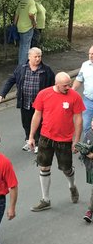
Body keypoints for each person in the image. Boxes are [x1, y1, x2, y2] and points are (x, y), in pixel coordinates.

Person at [29, 72, 85, 211]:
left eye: (69, 84)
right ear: (56, 84)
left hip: (65, 139)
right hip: (46, 137)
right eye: (65, 85)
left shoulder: (75, 96)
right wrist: (31, 136)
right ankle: (45, 199)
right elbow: (37, 115)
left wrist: (76, 141)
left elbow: (78, 119)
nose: (68, 87)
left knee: (66, 169)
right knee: (44, 167)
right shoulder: (43, 94)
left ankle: (72, 186)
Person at [0, 47, 55, 151]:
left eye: (39, 56)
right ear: (29, 57)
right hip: (25, 102)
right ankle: (29, 141)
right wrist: (3, 93)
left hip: (40, 104)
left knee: (39, 123)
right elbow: (11, 80)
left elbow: (53, 85)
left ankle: (38, 143)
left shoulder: (46, 70)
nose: (38, 59)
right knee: (26, 123)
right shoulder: (22, 68)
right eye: (35, 57)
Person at [14, 0, 38, 66]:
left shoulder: (22, 1)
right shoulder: (31, 2)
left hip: (20, 26)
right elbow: (31, 14)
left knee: (22, 46)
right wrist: (34, 22)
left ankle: (20, 63)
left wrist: (15, 24)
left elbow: (17, 14)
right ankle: (22, 65)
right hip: (28, 27)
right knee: (26, 47)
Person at [72, 45, 93, 134]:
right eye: (89, 54)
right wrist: (72, 90)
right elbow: (79, 79)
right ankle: (87, 142)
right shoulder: (85, 65)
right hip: (88, 100)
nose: (91, 56)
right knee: (86, 126)